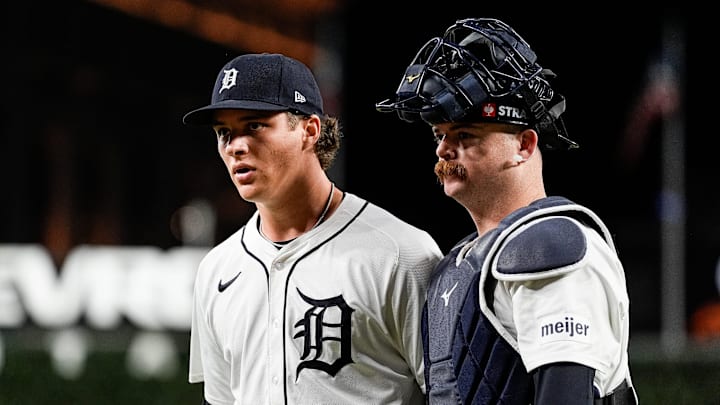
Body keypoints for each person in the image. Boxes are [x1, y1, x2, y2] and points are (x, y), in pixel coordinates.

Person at [376, 18, 639, 404]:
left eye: (465, 135)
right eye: (440, 135)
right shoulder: (459, 263)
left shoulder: (550, 246)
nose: (444, 150)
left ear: (524, 145)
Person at [182, 52, 443, 405]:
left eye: (254, 126)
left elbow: (449, 393)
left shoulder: (401, 254)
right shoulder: (216, 270)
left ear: (309, 130)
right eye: (224, 132)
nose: (236, 146)